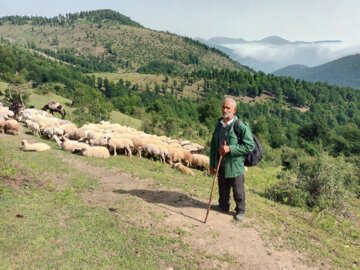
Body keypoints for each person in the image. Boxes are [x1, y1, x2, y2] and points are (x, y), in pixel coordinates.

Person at [209, 97, 255, 221]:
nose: (224, 110)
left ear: (234, 110)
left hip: (235, 165)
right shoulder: (219, 124)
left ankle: (240, 210)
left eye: (228, 108)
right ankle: (223, 206)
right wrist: (211, 163)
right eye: (223, 107)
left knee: (237, 190)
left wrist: (230, 149)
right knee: (222, 187)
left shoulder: (240, 125)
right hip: (221, 163)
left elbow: (249, 146)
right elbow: (213, 144)